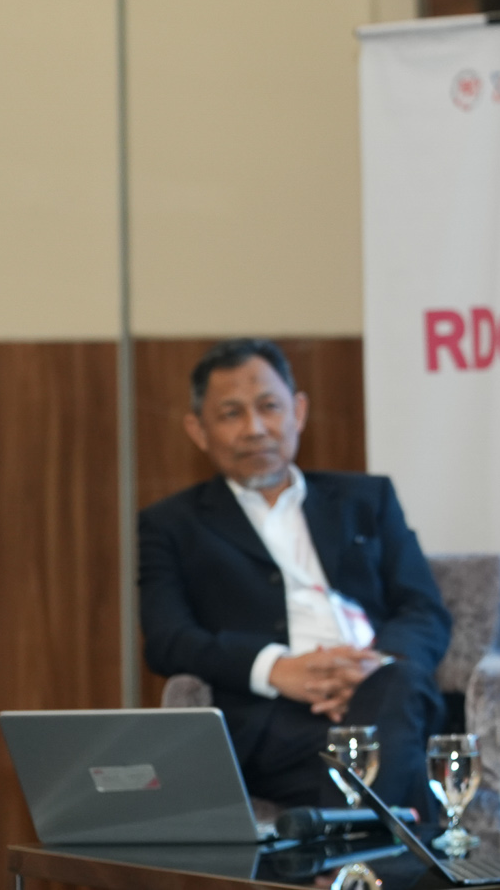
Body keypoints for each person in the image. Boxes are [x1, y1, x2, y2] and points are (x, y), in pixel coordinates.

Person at [139, 339, 450, 811]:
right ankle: (379, 843)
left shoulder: (367, 499)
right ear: (198, 430)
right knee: (401, 766)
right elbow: (168, 639)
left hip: (386, 694)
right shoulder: (172, 525)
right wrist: (275, 668)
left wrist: (370, 668)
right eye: (231, 414)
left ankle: (345, 844)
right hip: (275, 721)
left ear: (298, 412)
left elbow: (423, 608)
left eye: (269, 407)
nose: (255, 428)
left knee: (397, 689)